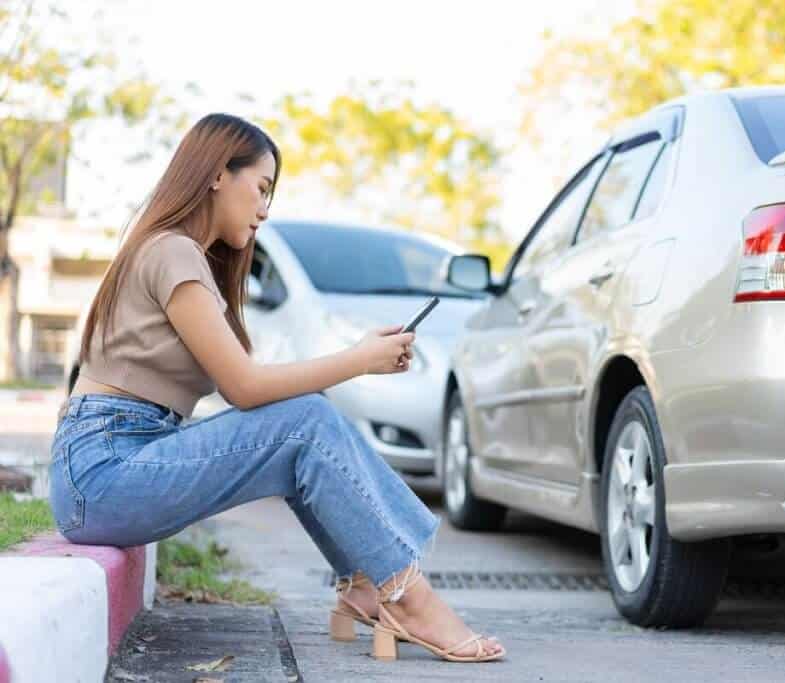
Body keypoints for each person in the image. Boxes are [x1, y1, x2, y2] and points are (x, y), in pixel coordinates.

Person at [48, 113, 505, 664]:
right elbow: (245, 388)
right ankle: (407, 596)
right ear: (218, 174)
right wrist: (358, 360)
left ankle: (365, 583)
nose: (265, 209)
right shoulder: (172, 251)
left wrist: (357, 356)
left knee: (300, 429)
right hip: (103, 474)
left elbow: (260, 391)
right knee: (305, 421)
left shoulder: (182, 255)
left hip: (118, 460)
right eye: (261, 188)